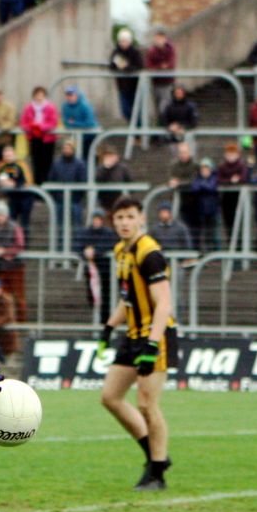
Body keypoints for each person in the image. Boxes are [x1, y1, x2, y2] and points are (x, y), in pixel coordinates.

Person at [98, 195, 177, 492]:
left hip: (155, 335)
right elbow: (128, 298)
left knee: (146, 403)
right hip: (132, 334)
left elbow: (164, 302)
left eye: (130, 217)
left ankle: (157, 474)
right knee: (110, 397)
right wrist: (108, 328)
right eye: (119, 218)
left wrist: (153, 344)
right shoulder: (121, 251)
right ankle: (155, 456)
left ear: (141, 218)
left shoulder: (150, 253)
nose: (124, 223)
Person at [20, 85, 58, 186]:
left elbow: (53, 122)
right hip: (34, 138)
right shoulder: (29, 108)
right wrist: (32, 127)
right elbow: (24, 122)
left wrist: (40, 127)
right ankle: (37, 187)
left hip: (47, 139)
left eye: (41, 95)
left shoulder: (50, 107)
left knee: (47, 164)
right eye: (37, 95)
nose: (39, 97)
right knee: (36, 163)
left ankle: (47, 186)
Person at [109, 28, 143, 122]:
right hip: (122, 87)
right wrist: (118, 65)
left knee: (136, 111)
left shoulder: (135, 52)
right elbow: (112, 66)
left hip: (135, 86)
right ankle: (133, 129)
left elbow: (139, 66)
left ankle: (138, 132)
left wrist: (127, 68)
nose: (123, 43)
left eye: (125, 41)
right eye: (121, 41)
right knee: (125, 111)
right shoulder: (116, 52)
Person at [60, 85, 98, 161]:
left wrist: (74, 124)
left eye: (71, 95)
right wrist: (73, 124)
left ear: (77, 95)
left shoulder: (85, 105)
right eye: (68, 95)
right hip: (76, 137)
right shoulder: (65, 106)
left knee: (88, 157)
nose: (69, 97)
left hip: (90, 135)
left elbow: (90, 123)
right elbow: (65, 122)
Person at [145, 27, 176, 116]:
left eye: (160, 38)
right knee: (157, 105)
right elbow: (149, 66)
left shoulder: (170, 49)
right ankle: (160, 125)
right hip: (156, 82)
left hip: (167, 82)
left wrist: (159, 67)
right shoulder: (152, 51)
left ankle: (166, 123)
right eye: (157, 39)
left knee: (165, 104)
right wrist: (160, 67)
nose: (158, 41)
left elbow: (170, 65)